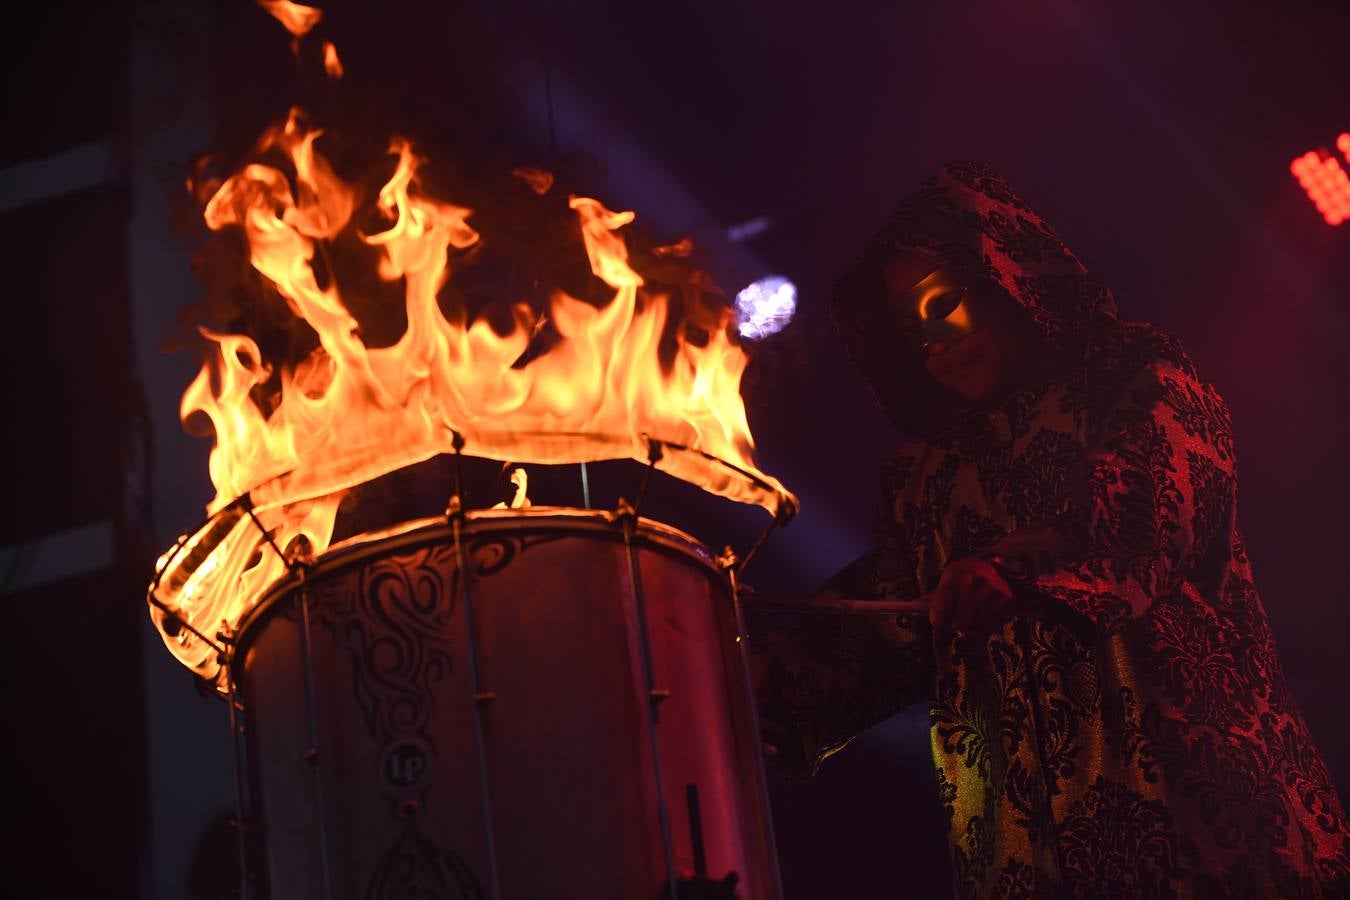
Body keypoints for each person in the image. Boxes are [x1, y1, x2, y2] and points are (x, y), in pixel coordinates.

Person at [751, 162, 1350, 898]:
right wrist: (756, 674)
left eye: (943, 303)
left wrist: (1017, 572)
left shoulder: (1133, 371)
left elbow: (1145, 504)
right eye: (911, 331)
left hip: (1206, 826)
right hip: (1026, 862)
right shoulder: (927, 478)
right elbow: (881, 626)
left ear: (1005, 277)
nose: (932, 343)